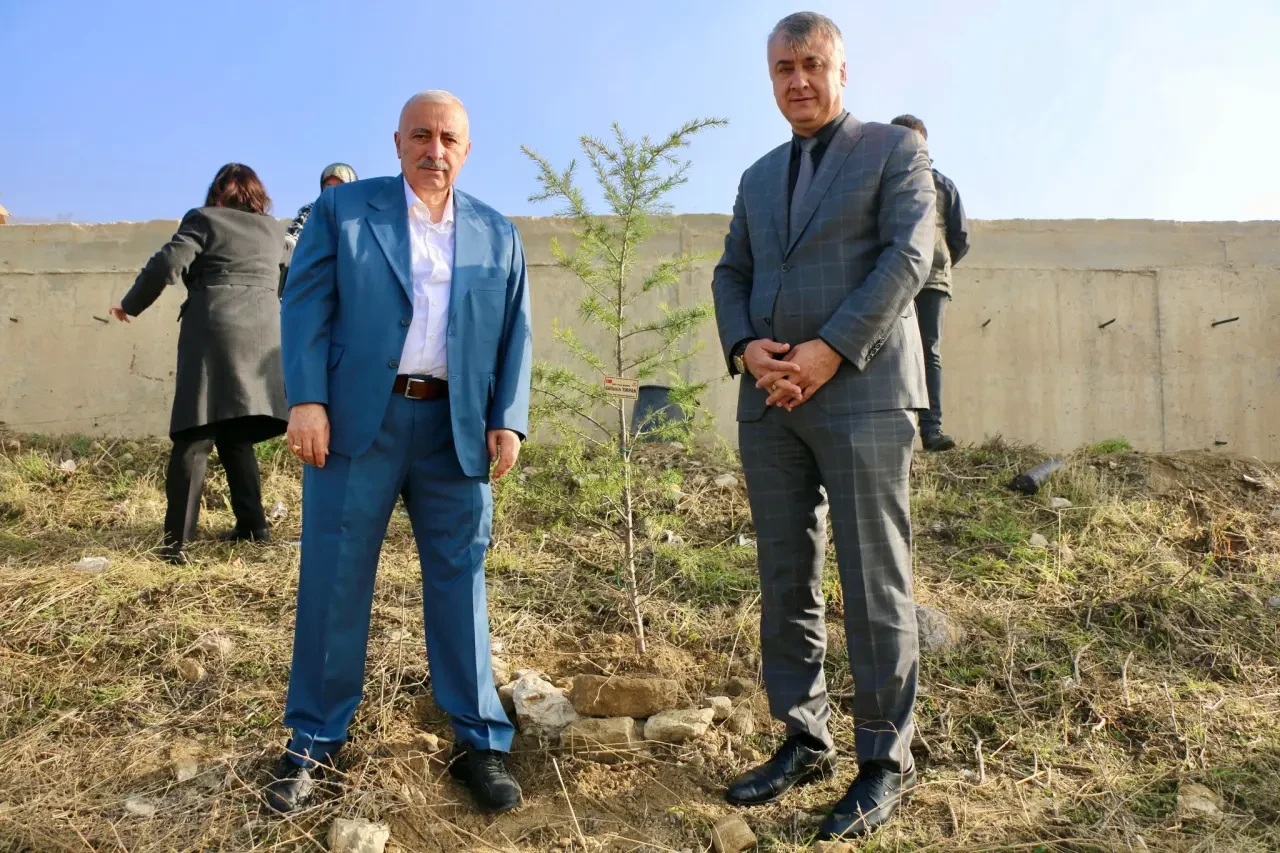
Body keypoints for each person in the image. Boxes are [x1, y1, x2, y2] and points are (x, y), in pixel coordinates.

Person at [267, 90, 532, 815]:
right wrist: (306, 397)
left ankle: (481, 742)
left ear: (466, 149)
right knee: (334, 578)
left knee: (461, 582)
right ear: (396, 141)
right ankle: (313, 741)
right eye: (421, 134)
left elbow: (516, 329)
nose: (434, 149)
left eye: (448, 138)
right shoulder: (344, 212)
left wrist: (507, 416)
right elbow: (306, 302)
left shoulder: (497, 232)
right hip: (358, 423)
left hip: (456, 430)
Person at [710, 12, 936, 841]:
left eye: (811, 64)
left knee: (875, 575)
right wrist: (746, 348)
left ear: (842, 69)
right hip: (769, 402)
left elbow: (907, 257)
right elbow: (731, 270)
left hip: (863, 391)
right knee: (785, 573)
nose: (796, 80)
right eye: (782, 68)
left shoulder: (893, 151)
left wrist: (828, 351)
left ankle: (883, 758)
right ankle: (803, 734)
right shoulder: (757, 175)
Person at [110, 163, 290, 564]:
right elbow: (289, 280)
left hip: (215, 329)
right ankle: (253, 526)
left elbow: (167, 263)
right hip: (263, 335)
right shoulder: (275, 231)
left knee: (195, 434)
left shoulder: (204, 219)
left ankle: (176, 544)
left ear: (218, 193)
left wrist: (130, 304)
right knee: (236, 434)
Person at [890, 114, 970, 452]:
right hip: (891, 278)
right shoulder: (882, 182)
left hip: (932, 279)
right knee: (890, 353)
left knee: (928, 352)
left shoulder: (942, 185)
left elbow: (960, 237)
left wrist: (936, 258)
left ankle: (932, 430)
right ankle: (895, 430)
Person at [284, 162, 358, 260]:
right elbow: (294, 236)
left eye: (340, 185)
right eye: (329, 186)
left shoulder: (359, 215)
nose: (333, 190)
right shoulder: (312, 210)